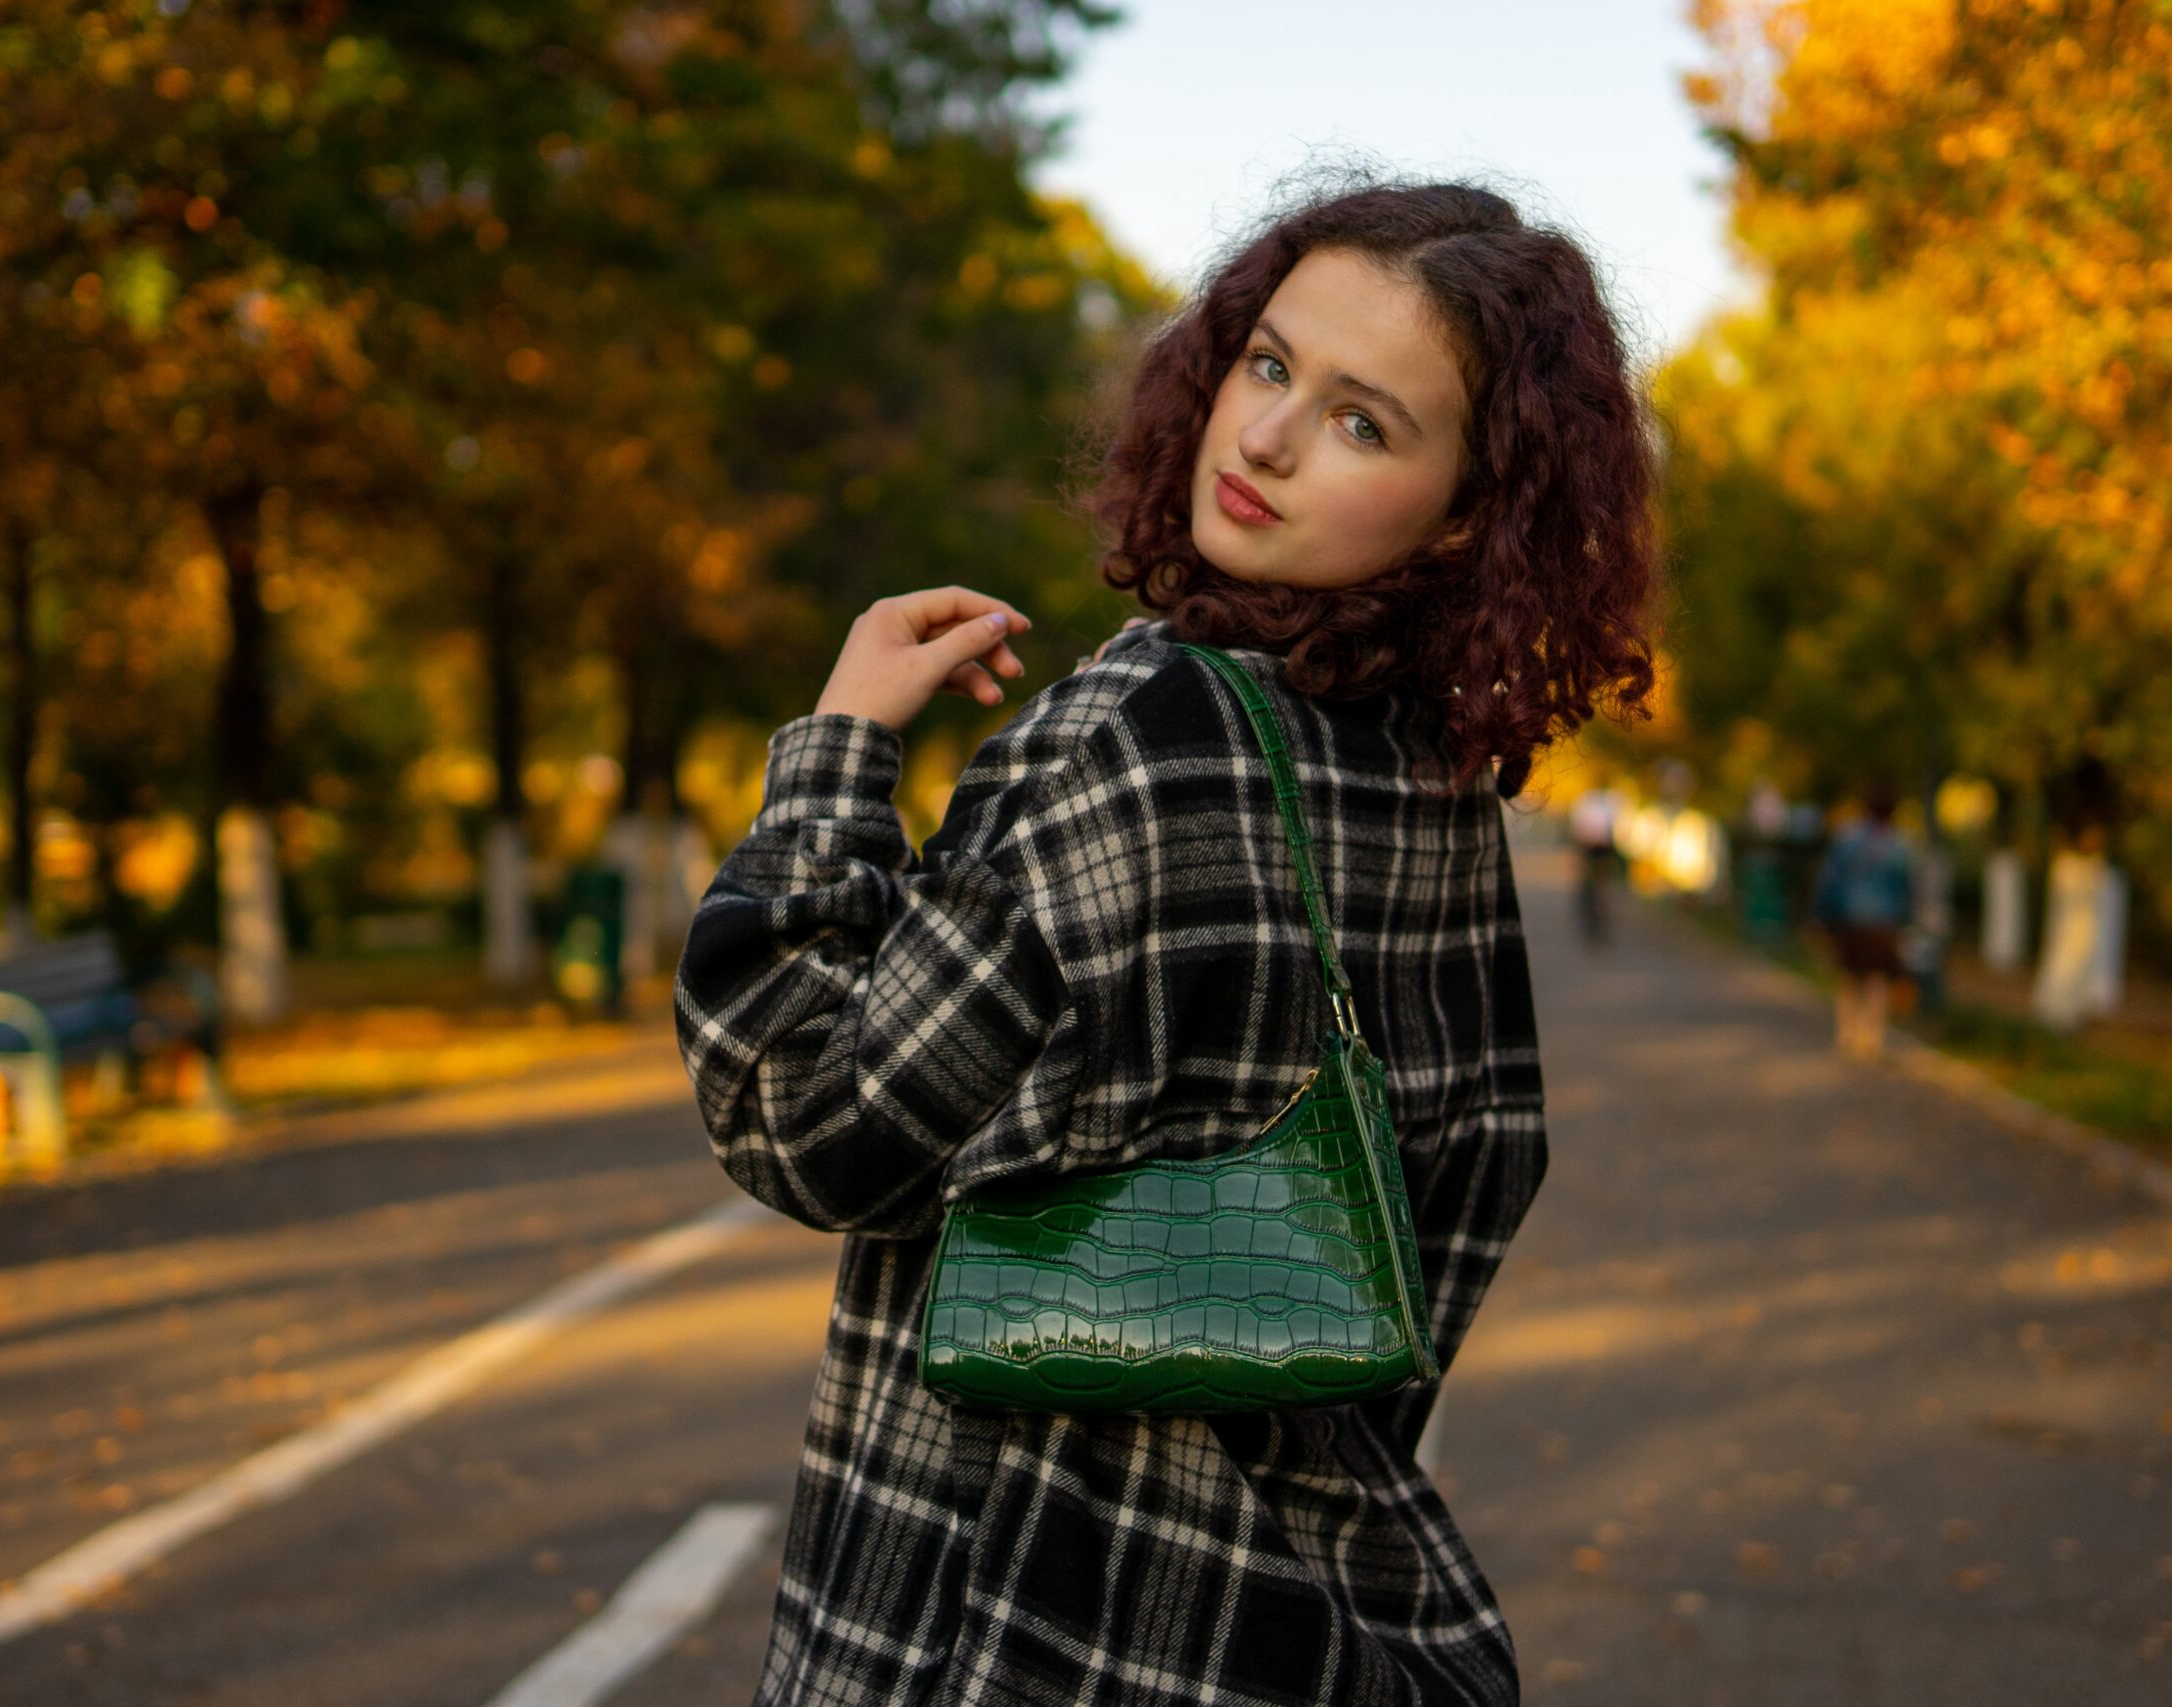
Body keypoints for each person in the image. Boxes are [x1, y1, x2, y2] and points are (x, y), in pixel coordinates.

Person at [674, 177, 1662, 1706]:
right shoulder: (1434, 781)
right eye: (1268, 365)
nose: (1262, 438)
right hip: (1308, 1630)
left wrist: (837, 750)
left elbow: (807, 1120)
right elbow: (1463, 1196)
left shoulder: (1152, 733)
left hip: (1018, 1628)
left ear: (1468, 506)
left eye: (1362, 421)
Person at [1808, 784, 1915, 1062]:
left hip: (1849, 919)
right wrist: (1907, 922)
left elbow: (1830, 880)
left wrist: (1820, 915)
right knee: (1879, 979)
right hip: (1884, 922)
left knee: (1848, 977)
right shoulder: (1900, 844)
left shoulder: (1848, 838)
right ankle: (1872, 1038)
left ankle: (1846, 1032)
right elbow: (1908, 888)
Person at [1568, 782, 1623, 946]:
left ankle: (1594, 912)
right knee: (1595, 883)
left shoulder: (1589, 800)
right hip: (1598, 848)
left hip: (1595, 848)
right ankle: (1592, 911)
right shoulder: (1609, 801)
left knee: (1594, 883)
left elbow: (1579, 826)